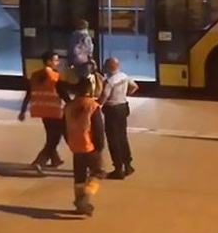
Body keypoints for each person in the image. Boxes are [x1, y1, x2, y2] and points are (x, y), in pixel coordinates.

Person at [18, 51, 68, 174]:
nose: (58, 62)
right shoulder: (54, 76)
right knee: (55, 139)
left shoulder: (35, 75)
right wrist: (73, 104)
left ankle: (55, 160)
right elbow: (63, 93)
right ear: (49, 61)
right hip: (55, 111)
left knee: (51, 135)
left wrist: (23, 111)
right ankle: (39, 162)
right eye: (56, 60)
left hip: (43, 112)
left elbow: (28, 94)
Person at [64, 77, 105, 216]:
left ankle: (79, 205)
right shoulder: (92, 106)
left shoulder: (69, 106)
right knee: (98, 173)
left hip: (75, 145)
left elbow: (64, 127)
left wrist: (69, 142)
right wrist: (100, 146)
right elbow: (98, 129)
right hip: (90, 146)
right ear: (89, 90)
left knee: (79, 176)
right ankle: (84, 198)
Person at [97, 57, 138, 180]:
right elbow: (134, 86)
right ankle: (128, 165)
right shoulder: (124, 76)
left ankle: (118, 169)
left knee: (113, 140)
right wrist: (125, 94)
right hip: (123, 107)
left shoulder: (109, 81)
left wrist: (96, 104)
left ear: (109, 67)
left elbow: (104, 96)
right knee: (122, 137)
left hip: (112, 110)